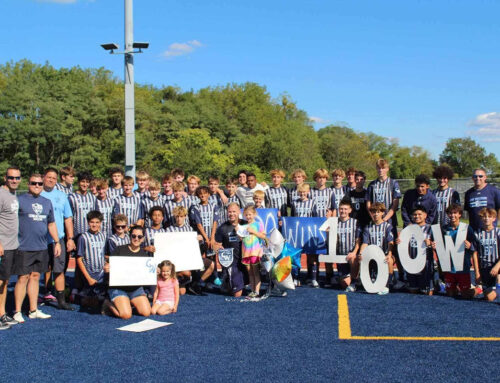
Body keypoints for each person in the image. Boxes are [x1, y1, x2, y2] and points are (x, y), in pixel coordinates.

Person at [14, 174, 61, 322]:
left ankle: (33, 309)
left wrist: (57, 241)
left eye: (40, 184)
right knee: (23, 278)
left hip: (41, 246)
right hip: (23, 246)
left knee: (35, 277)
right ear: (28, 184)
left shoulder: (47, 202)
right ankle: (17, 311)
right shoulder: (19, 200)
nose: (37, 186)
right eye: (34, 183)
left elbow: (51, 224)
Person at [41, 167, 75, 310]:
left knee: (59, 270)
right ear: (43, 177)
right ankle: (36, 299)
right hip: (40, 239)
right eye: (49, 177)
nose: (51, 180)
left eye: (54, 178)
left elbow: (67, 218)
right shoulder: (37, 193)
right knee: (37, 270)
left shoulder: (62, 196)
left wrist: (70, 238)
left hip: (58, 240)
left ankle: (61, 301)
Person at [103, 225, 151, 319]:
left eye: (139, 237)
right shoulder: (119, 250)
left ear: (143, 239)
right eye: (133, 236)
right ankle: (107, 303)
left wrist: (154, 273)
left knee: (146, 312)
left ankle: (127, 302)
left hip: (136, 289)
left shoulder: (144, 256)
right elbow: (108, 265)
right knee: (126, 315)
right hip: (119, 288)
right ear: (130, 236)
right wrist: (107, 268)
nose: (136, 239)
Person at [166, 206, 213, 296]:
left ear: (185, 217)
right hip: (176, 261)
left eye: (181, 216)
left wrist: (200, 239)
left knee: (211, 265)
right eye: (177, 216)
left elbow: (196, 246)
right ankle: (180, 282)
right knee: (181, 292)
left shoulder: (190, 229)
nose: (179, 219)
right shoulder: (169, 230)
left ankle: (195, 284)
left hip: (189, 259)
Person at [437, 204, 476, 299]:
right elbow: (440, 246)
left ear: (459, 214)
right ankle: (455, 287)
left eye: (455, 213)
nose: (452, 215)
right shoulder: (444, 228)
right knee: (450, 294)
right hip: (449, 267)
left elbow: (476, 245)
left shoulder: (466, 228)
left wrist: (470, 246)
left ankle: (478, 289)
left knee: (465, 296)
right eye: (450, 213)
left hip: (463, 267)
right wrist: (435, 245)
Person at [359, 202, 396, 295]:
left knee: (390, 260)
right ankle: (358, 281)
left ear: (383, 213)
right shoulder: (368, 227)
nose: (375, 214)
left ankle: (388, 284)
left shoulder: (388, 226)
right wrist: (361, 253)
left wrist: (389, 254)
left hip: (384, 255)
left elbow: (390, 242)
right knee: (359, 258)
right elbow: (365, 243)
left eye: (378, 212)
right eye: (373, 212)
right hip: (373, 256)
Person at [0, 166, 21, 329]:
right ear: (5, 178)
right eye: (11, 178)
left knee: (5, 282)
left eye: (17, 178)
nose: (14, 181)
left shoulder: (13, 195)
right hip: (3, 246)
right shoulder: (1, 194)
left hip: (12, 245)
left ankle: (2, 314)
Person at [397, 207, 434, 295]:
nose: (417, 216)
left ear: (425, 215)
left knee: (427, 293)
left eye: (419, 214)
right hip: (412, 263)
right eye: (415, 215)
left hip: (426, 263)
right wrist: (399, 241)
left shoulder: (430, 229)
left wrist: (430, 243)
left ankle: (434, 283)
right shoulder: (408, 229)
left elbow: (437, 246)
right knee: (413, 291)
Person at [189, 186, 220, 285]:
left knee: (212, 257)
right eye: (200, 194)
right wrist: (206, 238)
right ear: (198, 196)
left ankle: (212, 279)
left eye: (204, 193)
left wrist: (212, 237)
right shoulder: (196, 207)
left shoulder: (214, 205)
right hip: (201, 237)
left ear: (208, 194)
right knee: (200, 258)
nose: (202, 195)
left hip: (211, 236)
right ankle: (197, 280)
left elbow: (215, 222)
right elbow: (198, 224)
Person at [214, 202, 247, 297]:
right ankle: (229, 282)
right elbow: (216, 245)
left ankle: (229, 282)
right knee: (237, 294)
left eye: (234, 211)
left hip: (246, 261)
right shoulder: (222, 228)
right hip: (232, 264)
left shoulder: (246, 224)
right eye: (229, 212)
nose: (231, 214)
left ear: (239, 212)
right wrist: (218, 248)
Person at [76, 211, 107, 307]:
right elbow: (79, 259)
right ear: (88, 222)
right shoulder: (83, 237)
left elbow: (104, 254)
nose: (94, 225)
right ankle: (76, 294)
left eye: (97, 222)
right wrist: (88, 278)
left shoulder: (103, 235)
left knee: (101, 299)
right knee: (88, 303)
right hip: (89, 274)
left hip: (101, 273)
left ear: (101, 223)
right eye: (92, 222)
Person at [291, 183, 318, 287]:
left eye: (304, 192)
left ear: (308, 192)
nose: (302, 193)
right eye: (300, 192)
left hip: (309, 232)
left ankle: (312, 278)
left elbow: (315, 217)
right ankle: (296, 278)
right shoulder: (294, 203)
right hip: (297, 232)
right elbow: (292, 217)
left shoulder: (312, 202)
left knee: (311, 255)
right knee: (297, 255)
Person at [472, 208, 500, 302]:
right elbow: (474, 253)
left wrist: (497, 266)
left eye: (489, 216)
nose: (486, 218)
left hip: (497, 266)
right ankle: (481, 288)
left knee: (490, 297)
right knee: (489, 297)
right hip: (485, 268)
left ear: (494, 219)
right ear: (481, 219)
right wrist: (477, 273)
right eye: (484, 216)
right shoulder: (477, 234)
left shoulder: (498, 232)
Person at [240, 205, 266, 297]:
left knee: (255, 271)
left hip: (255, 252)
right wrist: (240, 236)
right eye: (246, 215)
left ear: (254, 214)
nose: (248, 217)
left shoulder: (259, 224)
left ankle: (257, 291)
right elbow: (242, 238)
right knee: (250, 272)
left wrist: (253, 232)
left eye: (250, 214)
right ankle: (252, 290)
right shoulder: (244, 226)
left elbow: (263, 236)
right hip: (246, 252)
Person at [336, 199, 361, 292]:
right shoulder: (334, 222)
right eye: (341, 209)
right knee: (344, 284)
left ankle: (354, 282)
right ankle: (353, 277)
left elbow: (358, 240)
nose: (343, 211)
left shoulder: (355, 222)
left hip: (351, 254)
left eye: (346, 209)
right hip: (340, 255)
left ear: (350, 210)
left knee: (353, 259)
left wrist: (354, 252)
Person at [68, 171, 96, 240]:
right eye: (83, 181)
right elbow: (69, 218)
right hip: (76, 234)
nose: (85, 184)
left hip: (90, 234)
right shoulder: (72, 197)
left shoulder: (93, 197)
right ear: (78, 182)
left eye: (87, 182)